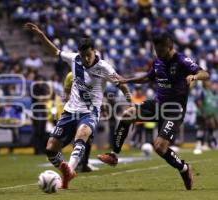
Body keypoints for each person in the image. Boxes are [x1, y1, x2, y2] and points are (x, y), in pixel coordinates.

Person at [24, 22, 131, 189]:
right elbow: (54, 50)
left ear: (94, 51)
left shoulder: (104, 67)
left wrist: (129, 98)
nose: (86, 59)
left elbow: (121, 83)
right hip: (70, 111)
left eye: (88, 55)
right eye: (83, 56)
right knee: (51, 148)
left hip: (90, 112)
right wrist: (40, 34)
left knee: (81, 135)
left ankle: (70, 171)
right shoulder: (74, 59)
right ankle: (66, 170)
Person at [97, 32, 209, 190]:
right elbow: (148, 77)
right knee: (127, 115)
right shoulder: (158, 61)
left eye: (162, 51)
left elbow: (205, 73)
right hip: (157, 105)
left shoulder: (182, 60)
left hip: (174, 111)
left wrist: (194, 77)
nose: (159, 54)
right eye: (156, 51)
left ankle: (184, 169)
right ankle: (113, 155)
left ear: (170, 48)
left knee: (159, 147)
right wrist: (127, 80)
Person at [64, 72, 98, 173]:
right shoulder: (70, 75)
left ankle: (84, 163)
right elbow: (66, 92)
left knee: (89, 138)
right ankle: (78, 163)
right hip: (74, 111)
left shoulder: (93, 74)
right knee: (79, 137)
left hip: (88, 111)